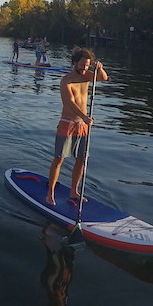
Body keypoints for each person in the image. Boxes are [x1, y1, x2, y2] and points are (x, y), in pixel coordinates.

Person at [46, 47, 109, 206]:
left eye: (87, 65)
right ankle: (50, 192)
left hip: (83, 124)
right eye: (82, 65)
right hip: (67, 123)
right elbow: (70, 102)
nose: (84, 68)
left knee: (82, 158)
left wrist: (99, 69)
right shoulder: (66, 80)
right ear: (75, 63)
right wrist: (84, 117)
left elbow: (103, 78)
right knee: (59, 159)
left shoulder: (87, 76)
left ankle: (74, 190)